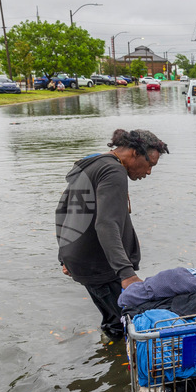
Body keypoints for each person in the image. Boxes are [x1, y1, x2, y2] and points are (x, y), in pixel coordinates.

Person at [56, 129, 169, 342]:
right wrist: (126, 274)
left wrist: (64, 255)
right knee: (125, 323)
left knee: (113, 318)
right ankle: (124, 364)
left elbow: (63, 211)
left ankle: (110, 360)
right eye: (150, 164)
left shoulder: (93, 165)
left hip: (81, 260)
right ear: (135, 153)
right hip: (100, 264)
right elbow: (106, 224)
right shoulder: (113, 171)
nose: (149, 172)